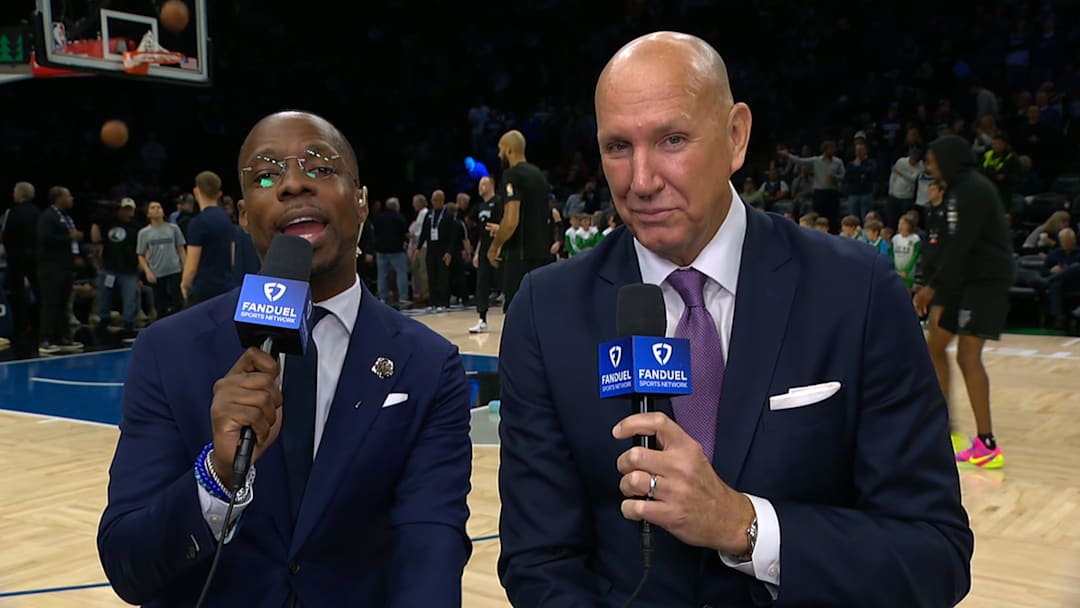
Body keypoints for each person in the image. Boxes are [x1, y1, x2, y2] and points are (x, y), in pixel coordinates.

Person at [497, 31, 972, 607]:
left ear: (736, 136)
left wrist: (745, 526)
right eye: (618, 146)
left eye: (672, 139)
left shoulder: (857, 291)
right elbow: (539, 561)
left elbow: (934, 554)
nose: (641, 181)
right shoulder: (546, 312)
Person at [98, 110, 473, 606]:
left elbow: (430, 554)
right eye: (267, 174)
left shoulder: (429, 364)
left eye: (320, 167)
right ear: (243, 215)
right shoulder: (168, 350)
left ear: (361, 202)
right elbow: (128, 565)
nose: (293, 183)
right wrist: (216, 476)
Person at [913, 135, 1014, 468]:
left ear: (948, 159)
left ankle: (987, 445)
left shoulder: (972, 190)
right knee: (936, 344)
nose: (929, 167)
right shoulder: (957, 191)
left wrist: (930, 289)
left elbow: (962, 247)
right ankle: (948, 429)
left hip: (985, 282)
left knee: (969, 357)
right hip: (965, 279)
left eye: (932, 160)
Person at [487, 129, 553, 312]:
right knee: (540, 312)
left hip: (519, 257)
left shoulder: (512, 175)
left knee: (517, 315)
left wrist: (494, 247)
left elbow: (511, 220)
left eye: (500, 150)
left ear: (509, 150)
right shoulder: (538, 175)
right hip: (541, 255)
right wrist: (501, 228)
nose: (499, 155)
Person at [181, 171, 235, 307]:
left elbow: (192, 264)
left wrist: (185, 284)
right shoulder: (227, 219)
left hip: (203, 292)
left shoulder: (198, 222)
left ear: (196, 191)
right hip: (225, 287)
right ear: (219, 194)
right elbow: (232, 256)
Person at [136, 200, 187, 319]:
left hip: (174, 270)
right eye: (153, 207)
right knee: (160, 306)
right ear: (148, 214)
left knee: (178, 303)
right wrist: (147, 271)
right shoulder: (144, 233)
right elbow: (140, 255)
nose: (157, 209)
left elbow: (181, 249)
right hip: (157, 273)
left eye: (159, 207)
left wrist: (185, 268)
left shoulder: (173, 228)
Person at [469, 176, 501, 333]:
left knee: (506, 284)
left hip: (498, 248)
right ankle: (482, 319)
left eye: (483, 184)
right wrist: (477, 252)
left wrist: (499, 247)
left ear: (491, 185)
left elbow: (504, 226)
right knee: (481, 284)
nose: (480, 187)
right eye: (479, 184)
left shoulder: (499, 202)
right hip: (484, 250)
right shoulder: (481, 206)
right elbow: (482, 233)